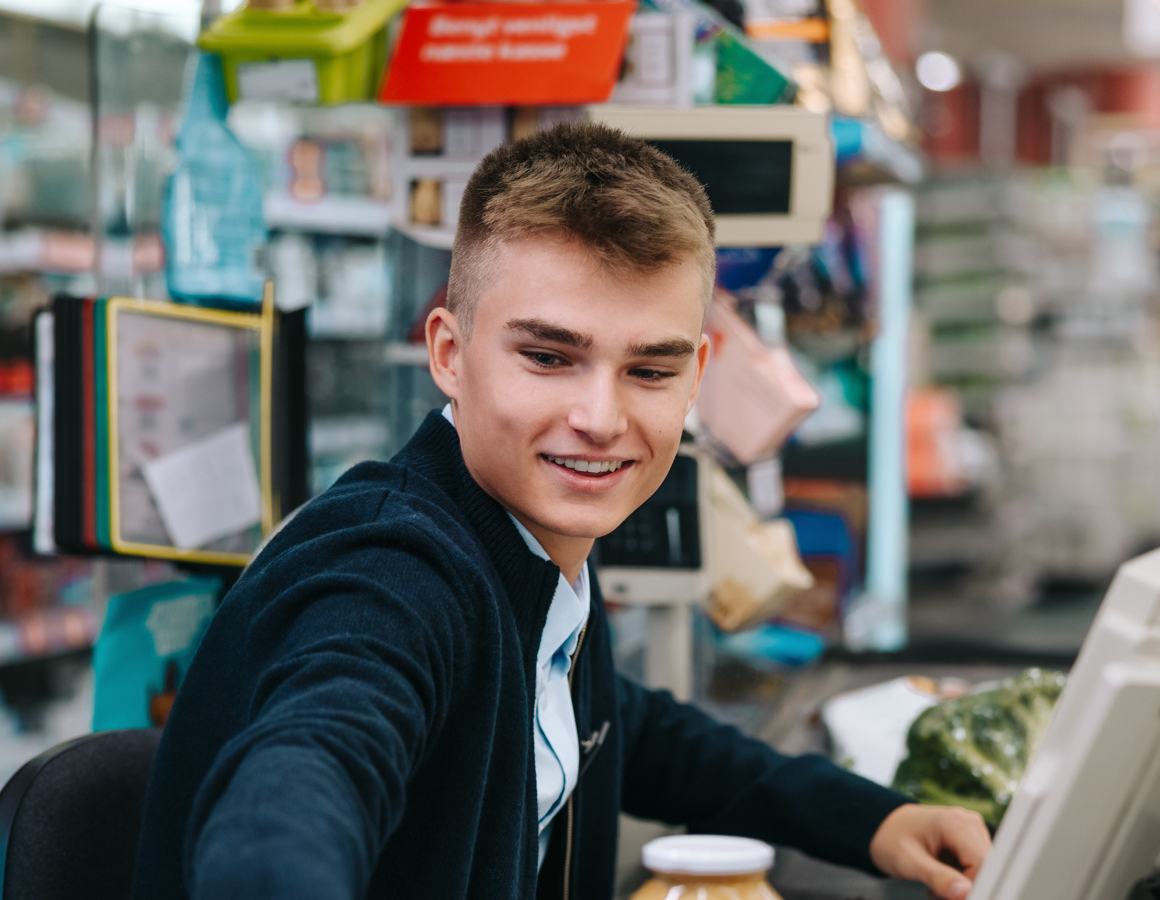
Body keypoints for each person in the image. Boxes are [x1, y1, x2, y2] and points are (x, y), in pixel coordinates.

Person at [132, 123, 990, 900]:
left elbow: (623, 726)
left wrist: (872, 822)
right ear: (449, 353)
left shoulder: (540, 543)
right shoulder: (390, 570)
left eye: (649, 371)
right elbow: (305, 769)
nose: (602, 419)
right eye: (548, 356)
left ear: (697, 373)